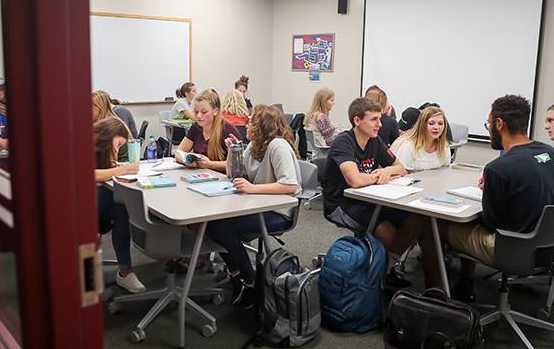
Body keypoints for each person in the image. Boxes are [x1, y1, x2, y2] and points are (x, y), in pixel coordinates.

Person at [444, 95, 554, 301]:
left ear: (499, 124)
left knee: (440, 226)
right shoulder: (549, 152)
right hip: (547, 247)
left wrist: (492, 192)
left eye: (488, 124)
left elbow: (489, 224)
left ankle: (440, 296)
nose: (489, 129)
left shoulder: (498, 168)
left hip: (512, 248)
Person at [322, 97, 426, 287]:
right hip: (340, 204)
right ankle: (379, 273)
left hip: (369, 199)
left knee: (416, 218)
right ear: (357, 120)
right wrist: (378, 176)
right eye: (374, 119)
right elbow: (354, 180)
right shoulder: (344, 143)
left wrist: (386, 170)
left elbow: (401, 168)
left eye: (380, 118)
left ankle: (384, 268)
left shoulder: (374, 141)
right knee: (387, 231)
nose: (380, 124)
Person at [206, 105, 302, 308]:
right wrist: (234, 152)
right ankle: (238, 274)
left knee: (221, 228)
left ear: (261, 126)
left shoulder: (278, 146)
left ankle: (251, 282)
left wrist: (252, 189)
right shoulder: (254, 144)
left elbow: (289, 185)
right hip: (258, 205)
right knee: (212, 224)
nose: (247, 124)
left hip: (279, 211)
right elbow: (236, 174)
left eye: (251, 121)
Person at [94, 117, 146, 294]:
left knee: (120, 208)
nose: (117, 149)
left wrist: (114, 163)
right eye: (118, 144)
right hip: (73, 209)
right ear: (108, 135)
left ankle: (125, 270)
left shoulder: (100, 147)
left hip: (94, 208)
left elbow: (104, 169)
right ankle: (125, 270)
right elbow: (90, 174)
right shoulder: (81, 141)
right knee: (118, 204)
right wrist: (123, 169)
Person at [175, 88, 241, 172]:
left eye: (204, 112)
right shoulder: (196, 127)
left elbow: (237, 164)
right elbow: (179, 152)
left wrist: (211, 164)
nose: (198, 116)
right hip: (201, 175)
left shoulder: (228, 130)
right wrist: (186, 161)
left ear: (215, 111)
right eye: (195, 112)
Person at [390, 106, 451, 171]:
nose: (436, 127)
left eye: (440, 124)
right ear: (422, 125)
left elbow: (445, 171)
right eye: (431, 123)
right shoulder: (407, 145)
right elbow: (400, 173)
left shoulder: (444, 146)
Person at [92, 90, 132, 161]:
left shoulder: (110, 126)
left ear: (100, 109)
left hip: (121, 162)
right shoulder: (98, 123)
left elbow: (112, 160)